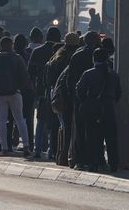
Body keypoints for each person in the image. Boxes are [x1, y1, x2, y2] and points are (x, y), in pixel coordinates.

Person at [0, 36, 31, 156]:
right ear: (11, 45)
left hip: (0, 94)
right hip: (15, 93)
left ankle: (4, 148)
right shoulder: (17, 58)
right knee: (20, 120)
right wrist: (18, 87)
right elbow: (25, 77)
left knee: (2, 121)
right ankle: (26, 146)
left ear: (0, 45)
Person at [76, 48, 121, 172]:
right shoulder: (114, 75)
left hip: (93, 108)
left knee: (93, 137)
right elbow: (119, 93)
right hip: (109, 107)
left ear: (94, 59)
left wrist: (86, 101)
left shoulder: (88, 73)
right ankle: (113, 164)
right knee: (111, 138)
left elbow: (79, 90)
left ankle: (94, 163)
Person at [67, 31, 101, 168]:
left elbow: (70, 80)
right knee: (97, 131)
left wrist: (74, 97)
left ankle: (80, 160)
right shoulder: (100, 55)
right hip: (98, 100)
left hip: (80, 99)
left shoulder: (77, 55)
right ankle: (96, 160)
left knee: (80, 131)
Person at [46, 31, 80, 166]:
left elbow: (47, 77)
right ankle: (66, 155)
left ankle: (56, 152)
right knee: (68, 127)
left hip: (55, 93)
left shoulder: (56, 56)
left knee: (60, 125)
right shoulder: (74, 57)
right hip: (66, 95)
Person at [29, 26, 60, 159]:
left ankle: (37, 149)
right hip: (58, 92)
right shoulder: (61, 51)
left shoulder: (37, 51)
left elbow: (30, 72)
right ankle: (53, 151)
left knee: (41, 120)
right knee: (55, 123)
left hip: (42, 91)